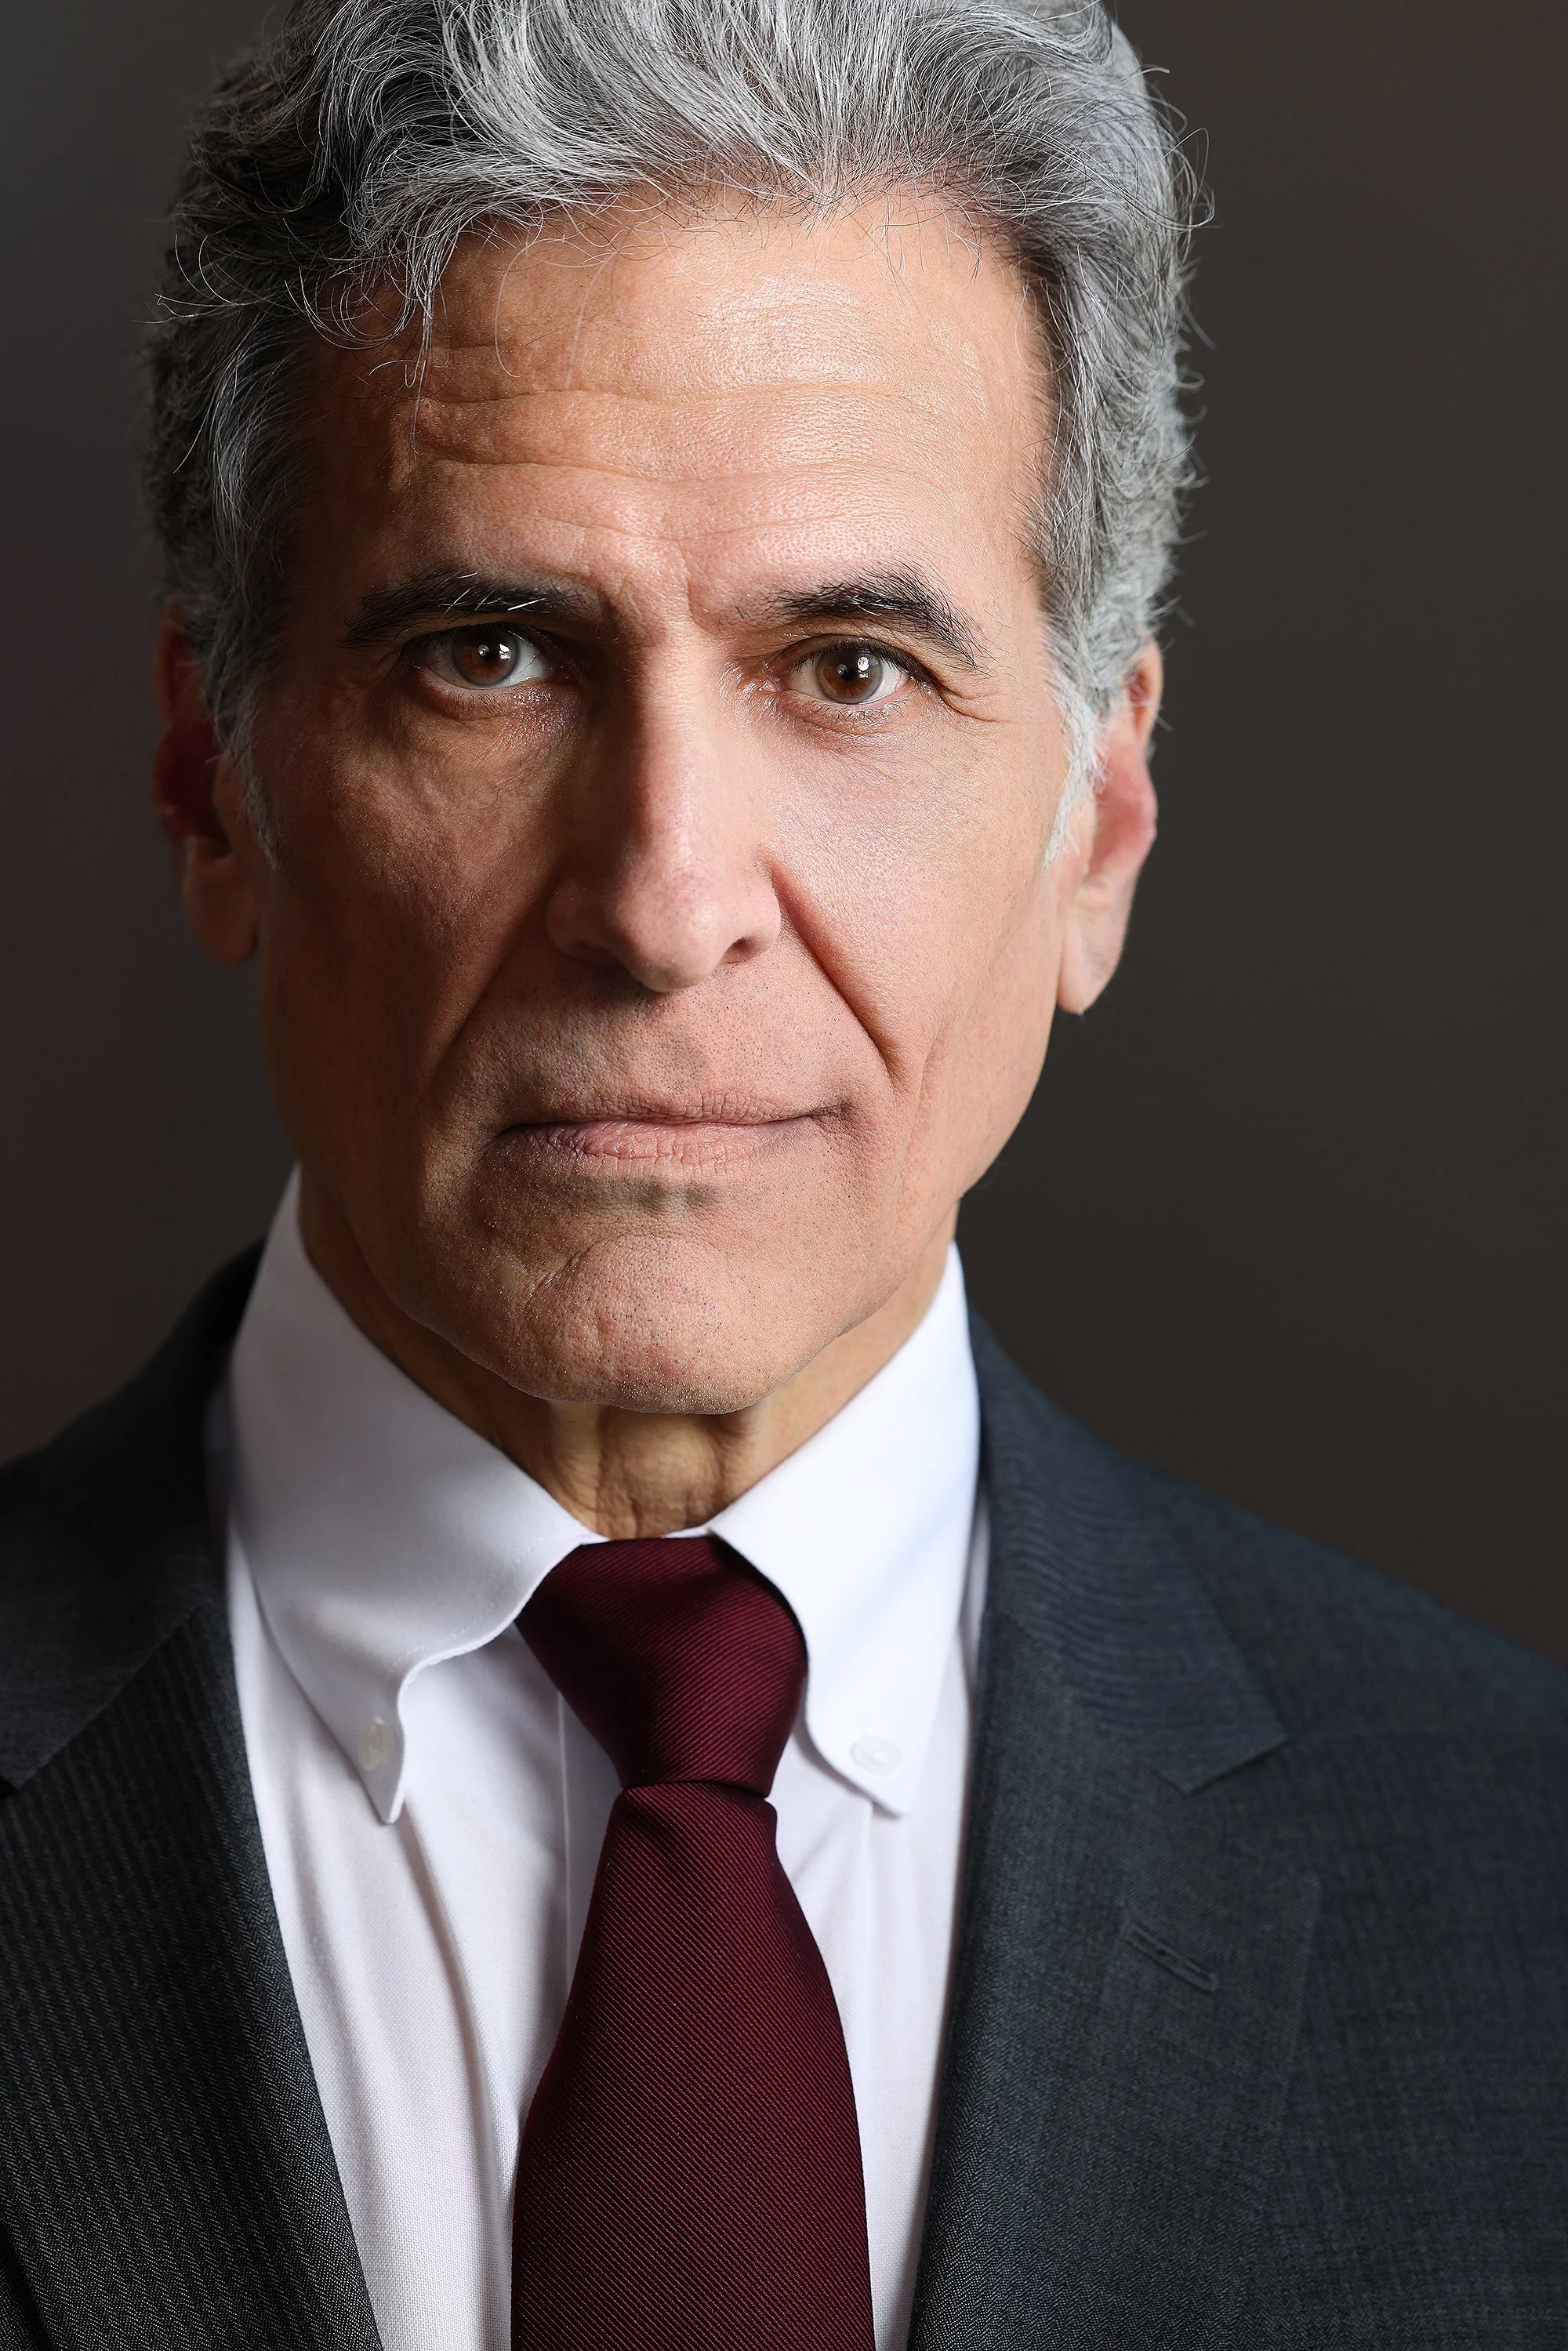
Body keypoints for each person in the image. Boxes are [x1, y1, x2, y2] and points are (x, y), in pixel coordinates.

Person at [1, 0, 1563, 2343]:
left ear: (1099, 822)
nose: (662, 895)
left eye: (849, 668)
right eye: (495, 651)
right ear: (213, 780)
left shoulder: (1522, 1890)